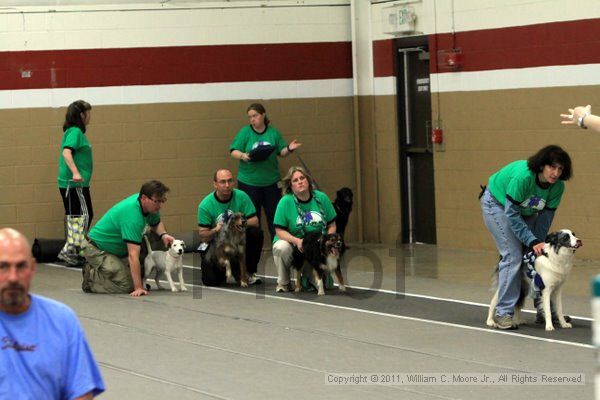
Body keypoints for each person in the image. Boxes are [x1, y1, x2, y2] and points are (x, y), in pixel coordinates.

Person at [0, 228, 105, 399]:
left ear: (32, 268)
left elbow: (81, 392)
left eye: (20, 266)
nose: (13, 277)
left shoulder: (62, 320)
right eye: (3, 266)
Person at [480, 145, 572, 329]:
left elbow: (545, 219)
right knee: (513, 255)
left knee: (536, 256)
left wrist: (537, 245)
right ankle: (503, 313)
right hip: (497, 204)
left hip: (525, 209)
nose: (555, 173)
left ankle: (545, 310)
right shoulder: (523, 178)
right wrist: (531, 240)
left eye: (560, 169)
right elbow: (511, 213)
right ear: (541, 166)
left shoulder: (557, 187)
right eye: (552, 167)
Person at [81, 180, 175, 297]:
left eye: (163, 201)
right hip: (96, 249)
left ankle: (128, 272)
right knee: (127, 286)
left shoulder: (150, 206)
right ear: (144, 198)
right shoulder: (132, 217)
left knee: (158, 237)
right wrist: (138, 287)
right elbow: (133, 255)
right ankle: (91, 279)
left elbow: (156, 223)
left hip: (118, 248)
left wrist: (164, 235)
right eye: (157, 201)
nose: (160, 205)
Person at [230, 103, 302, 241]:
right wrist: (243, 156)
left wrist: (289, 148)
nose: (252, 119)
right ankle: (252, 246)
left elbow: (281, 152)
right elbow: (233, 150)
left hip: (271, 182)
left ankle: (278, 244)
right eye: (250, 117)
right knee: (251, 217)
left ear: (263, 115)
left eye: (255, 116)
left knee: (274, 215)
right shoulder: (245, 132)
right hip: (249, 182)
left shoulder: (273, 132)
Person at [272, 166, 337, 293]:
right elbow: (279, 231)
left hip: (317, 245)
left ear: (308, 180)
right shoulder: (285, 202)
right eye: (295, 180)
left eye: (302, 178)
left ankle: (309, 277)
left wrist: (327, 243)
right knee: (281, 247)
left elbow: (332, 224)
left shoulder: (321, 198)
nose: (300, 182)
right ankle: (284, 282)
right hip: (294, 243)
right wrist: (297, 241)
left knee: (324, 286)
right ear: (291, 186)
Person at [197, 169, 264, 286]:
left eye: (229, 181)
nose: (227, 185)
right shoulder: (205, 205)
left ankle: (248, 272)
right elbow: (203, 235)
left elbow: (255, 221)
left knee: (256, 233)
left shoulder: (242, 196)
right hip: (217, 243)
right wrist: (215, 230)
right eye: (222, 182)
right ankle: (226, 270)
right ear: (215, 184)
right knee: (211, 281)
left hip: (238, 240)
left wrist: (239, 224)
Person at [57, 100, 94, 266]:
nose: (90, 116)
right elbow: (66, 153)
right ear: (81, 115)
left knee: (77, 217)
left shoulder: (74, 132)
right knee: (83, 216)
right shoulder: (75, 132)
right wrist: (76, 172)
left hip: (74, 184)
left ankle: (73, 251)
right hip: (74, 184)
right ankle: (70, 251)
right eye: (88, 113)